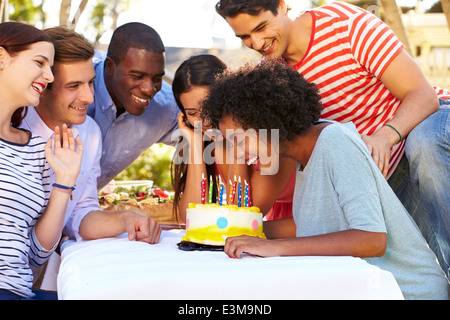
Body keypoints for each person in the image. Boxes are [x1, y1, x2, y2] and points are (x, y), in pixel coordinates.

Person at [215, 0, 450, 278]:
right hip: (377, 166)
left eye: (261, 27)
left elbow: (424, 96)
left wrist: (385, 136)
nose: (255, 42)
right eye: (244, 36)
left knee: (423, 143)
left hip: (423, 124)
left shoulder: (345, 24)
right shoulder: (273, 79)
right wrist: (236, 227)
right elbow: (274, 184)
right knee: (415, 256)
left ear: (282, 5)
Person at [201, 60, 448, 300]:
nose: (238, 153)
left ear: (267, 123)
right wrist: (244, 233)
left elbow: (372, 239)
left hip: (406, 291)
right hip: (366, 288)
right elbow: (310, 224)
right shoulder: (301, 156)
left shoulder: (334, 141)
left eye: (239, 140)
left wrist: (275, 247)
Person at [21, 26, 161, 246]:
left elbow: (80, 212)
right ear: (42, 84)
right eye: (74, 85)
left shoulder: (89, 132)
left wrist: (126, 219)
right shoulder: (13, 124)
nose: (88, 97)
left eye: (89, 83)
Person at [0, 21, 83, 300]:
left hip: (19, 291)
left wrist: (65, 182)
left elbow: (36, 254)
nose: (48, 76)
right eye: (40, 62)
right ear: (1, 58)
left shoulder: (36, 149)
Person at [171, 54, 296, 222]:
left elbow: (244, 214)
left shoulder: (271, 135)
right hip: (275, 221)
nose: (205, 121)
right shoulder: (216, 141)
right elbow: (191, 218)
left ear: (229, 97)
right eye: (193, 113)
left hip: (309, 218)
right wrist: (195, 144)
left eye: (209, 107)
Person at [87, 22, 179, 190]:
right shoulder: (74, 85)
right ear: (110, 66)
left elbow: (209, 140)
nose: (150, 88)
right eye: (137, 76)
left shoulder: (167, 107)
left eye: (157, 78)